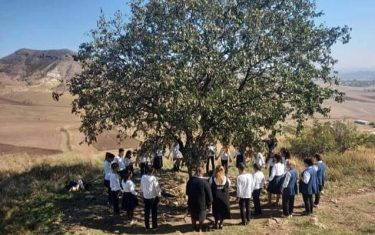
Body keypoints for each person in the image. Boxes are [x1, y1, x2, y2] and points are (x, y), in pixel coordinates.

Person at [186, 167, 213, 232]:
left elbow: (187, 192)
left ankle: (194, 226)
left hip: (192, 201)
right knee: (202, 216)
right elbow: (209, 194)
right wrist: (210, 201)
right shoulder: (205, 182)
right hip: (202, 203)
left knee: (193, 215)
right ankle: (200, 227)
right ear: (202, 173)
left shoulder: (191, 180)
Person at [140, 166, 162, 231]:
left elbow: (141, 185)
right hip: (153, 197)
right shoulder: (153, 178)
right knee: (154, 212)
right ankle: (154, 226)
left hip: (146, 197)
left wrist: (143, 192)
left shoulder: (143, 177)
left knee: (146, 212)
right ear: (152, 171)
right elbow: (157, 188)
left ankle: (147, 226)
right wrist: (159, 196)